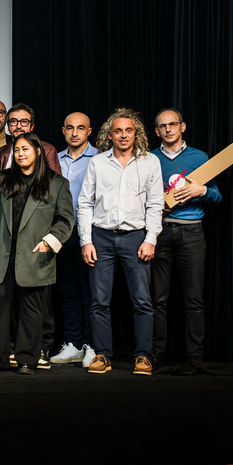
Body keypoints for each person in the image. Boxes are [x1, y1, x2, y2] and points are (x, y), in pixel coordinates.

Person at [0, 133, 74, 374]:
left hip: (35, 255)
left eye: (25, 149)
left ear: (38, 151)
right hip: (2, 256)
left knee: (32, 311)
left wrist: (49, 243)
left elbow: (65, 220)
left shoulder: (56, 183)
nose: (20, 153)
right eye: (17, 150)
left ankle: (26, 361)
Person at [78, 108, 164, 376]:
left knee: (142, 301)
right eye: (118, 131)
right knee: (99, 301)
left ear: (135, 133)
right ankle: (103, 354)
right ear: (109, 135)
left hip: (136, 238)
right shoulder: (97, 163)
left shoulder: (150, 162)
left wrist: (150, 239)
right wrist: (86, 241)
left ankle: (143, 357)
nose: (123, 135)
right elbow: (84, 204)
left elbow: (155, 204)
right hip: (101, 238)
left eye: (128, 130)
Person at [151, 108, 223, 374]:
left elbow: (216, 197)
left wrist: (200, 189)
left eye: (173, 124)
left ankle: (195, 356)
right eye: (162, 126)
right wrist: (157, 204)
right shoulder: (150, 159)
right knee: (157, 298)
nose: (168, 129)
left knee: (194, 299)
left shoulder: (200, 158)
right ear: (156, 131)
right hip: (159, 233)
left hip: (192, 232)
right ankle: (155, 354)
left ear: (183, 126)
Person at [50, 111, 99, 367]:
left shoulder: (102, 158)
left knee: (91, 293)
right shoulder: (55, 160)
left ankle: (92, 345)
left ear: (89, 131)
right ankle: (73, 344)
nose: (75, 132)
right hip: (62, 233)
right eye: (70, 128)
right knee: (67, 291)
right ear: (63, 130)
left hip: (91, 233)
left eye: (80, 128)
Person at [0, 103, 61, 173]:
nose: (19, 126)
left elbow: (56, 181)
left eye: (24, 122)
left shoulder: (47, 150)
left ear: (32, 126)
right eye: (13, 121)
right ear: (8, 127)